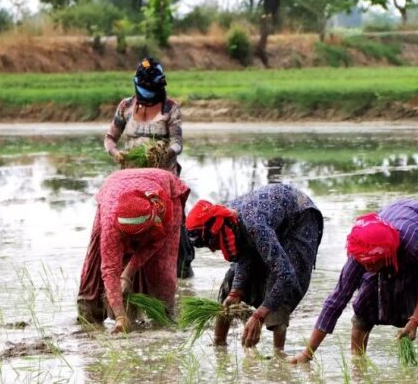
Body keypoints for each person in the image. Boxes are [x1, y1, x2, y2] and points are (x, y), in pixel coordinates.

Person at [291, 199, 418, 364]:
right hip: (389, 234)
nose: (368, 268)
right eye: (365, 264)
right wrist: (307, 353)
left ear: (388, 254)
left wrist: (415, 320)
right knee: (367, 294)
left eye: (374, 263)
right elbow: (337, 299)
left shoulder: (413, 243)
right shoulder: (361, 252)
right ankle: (357, 362)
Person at [185, 184, 323, 350]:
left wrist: (259, 315)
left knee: (278, 285)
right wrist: (236, 290)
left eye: (211, 243)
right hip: (269, 220)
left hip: (300, 218)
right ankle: (219, 345)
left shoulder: (255, 226)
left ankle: (278, 357)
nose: (213, 249)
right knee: (230, 283)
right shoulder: (229, 220)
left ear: (217, 231)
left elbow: (286, 274)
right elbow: (245, 254)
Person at [103, 57, 194, 279]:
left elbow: (177, 143)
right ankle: (132, 276)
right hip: (132, 181)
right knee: (132, 227)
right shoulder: (126, 106)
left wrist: (164, 152)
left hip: (164, 180)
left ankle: (181, 277)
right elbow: (109, 139)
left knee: (173, 232)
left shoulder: (170, 108)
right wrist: (116, 153)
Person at [77, 168, 190, 333]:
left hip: (163, 184)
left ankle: (163, 317)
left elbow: (154, 244)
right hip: (114, 186)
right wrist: (121, 317)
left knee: (162, 268)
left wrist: (127, 274)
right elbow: (109, 269)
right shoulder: (111, 224)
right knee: (95, 265)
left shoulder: (161, 210)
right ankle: (90, 317)